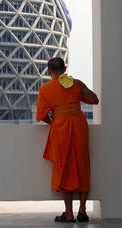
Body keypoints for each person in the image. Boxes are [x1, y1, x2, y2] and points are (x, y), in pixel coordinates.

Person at [36, 57, 99, 223]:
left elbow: (41, 115)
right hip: (79, 125)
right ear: (65, 69)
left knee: (64, 167)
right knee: (82, 164)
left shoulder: (45, 89)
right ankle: (83, 211)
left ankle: (69, 214)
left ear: (49, 71)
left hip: (60, 128)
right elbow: (94, 100)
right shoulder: (76, 83)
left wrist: (55, 121)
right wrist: (77, 85)